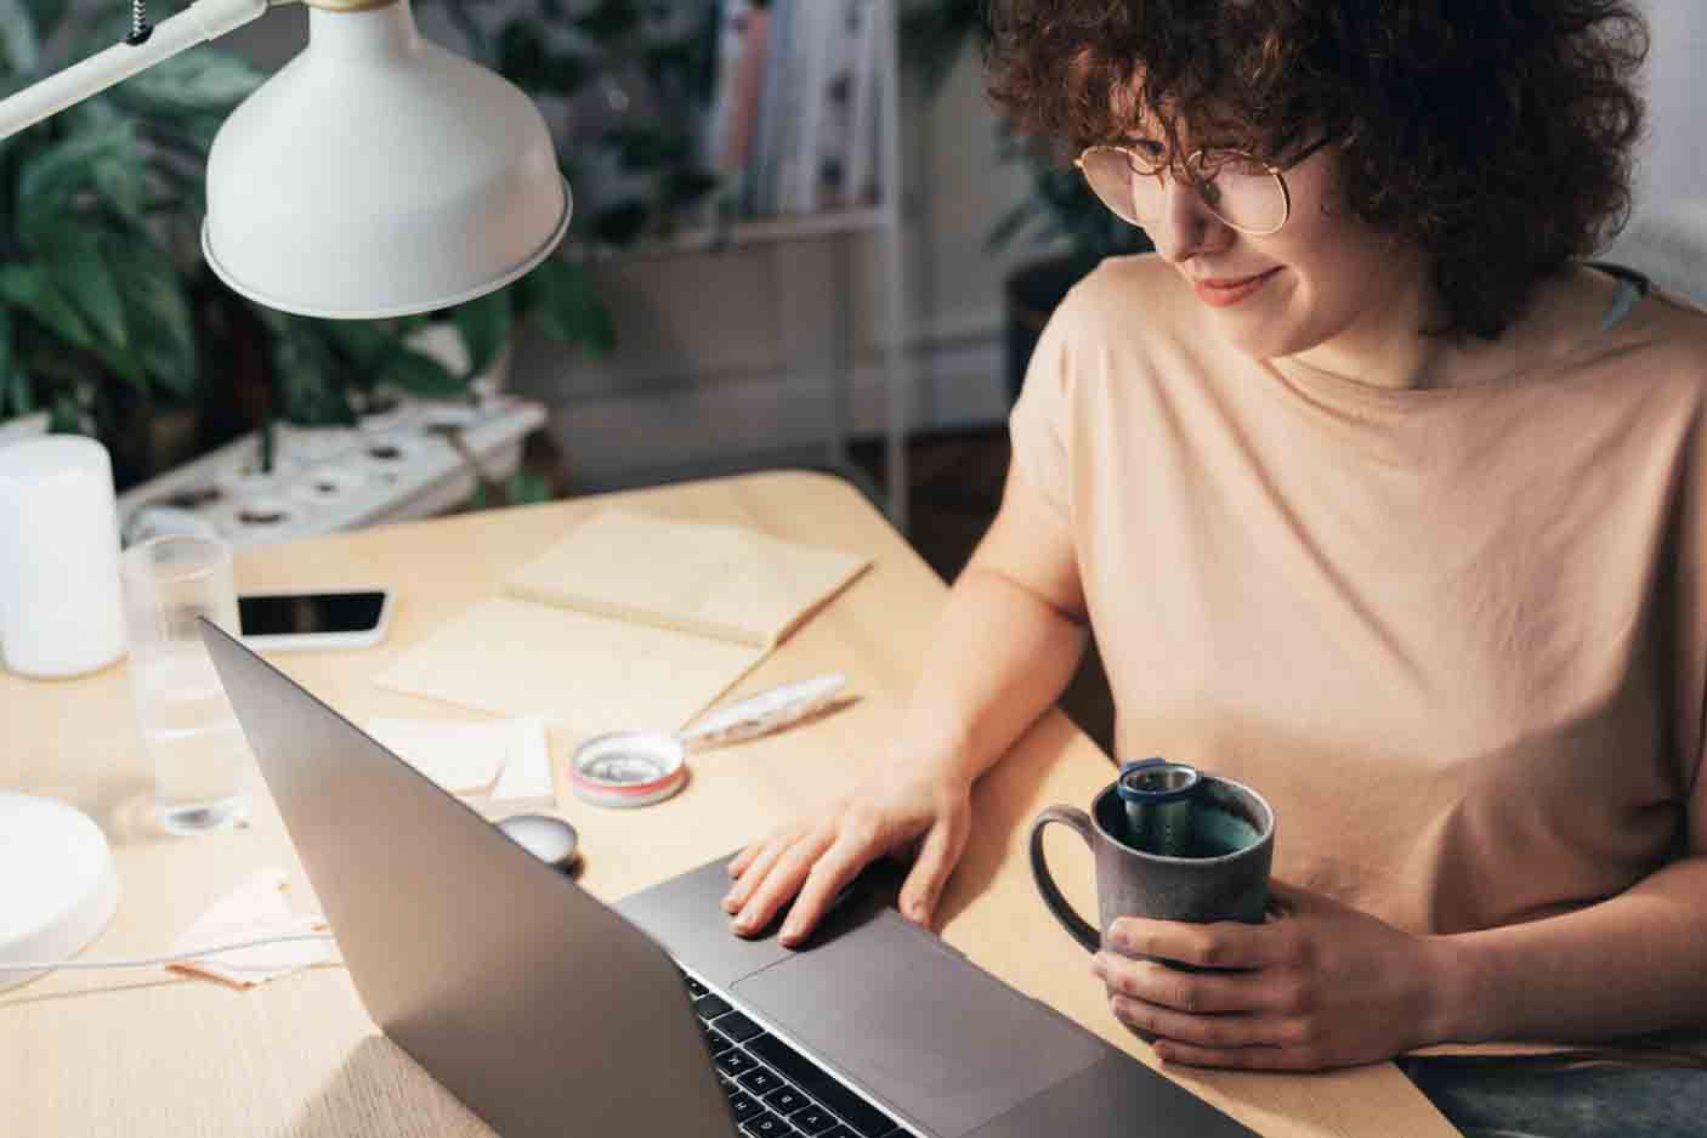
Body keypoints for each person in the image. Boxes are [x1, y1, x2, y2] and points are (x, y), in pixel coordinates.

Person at [725, 2, 1707, 1134]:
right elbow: (1030, 585)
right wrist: (929, 754)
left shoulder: (1676, 420)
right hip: (1194, 1081)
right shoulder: (1117, 342)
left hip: (1536, 1082)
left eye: (1234, 161)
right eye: (1138, 155)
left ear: (1425, 136)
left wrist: (1430, 987)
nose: (1174, 228)